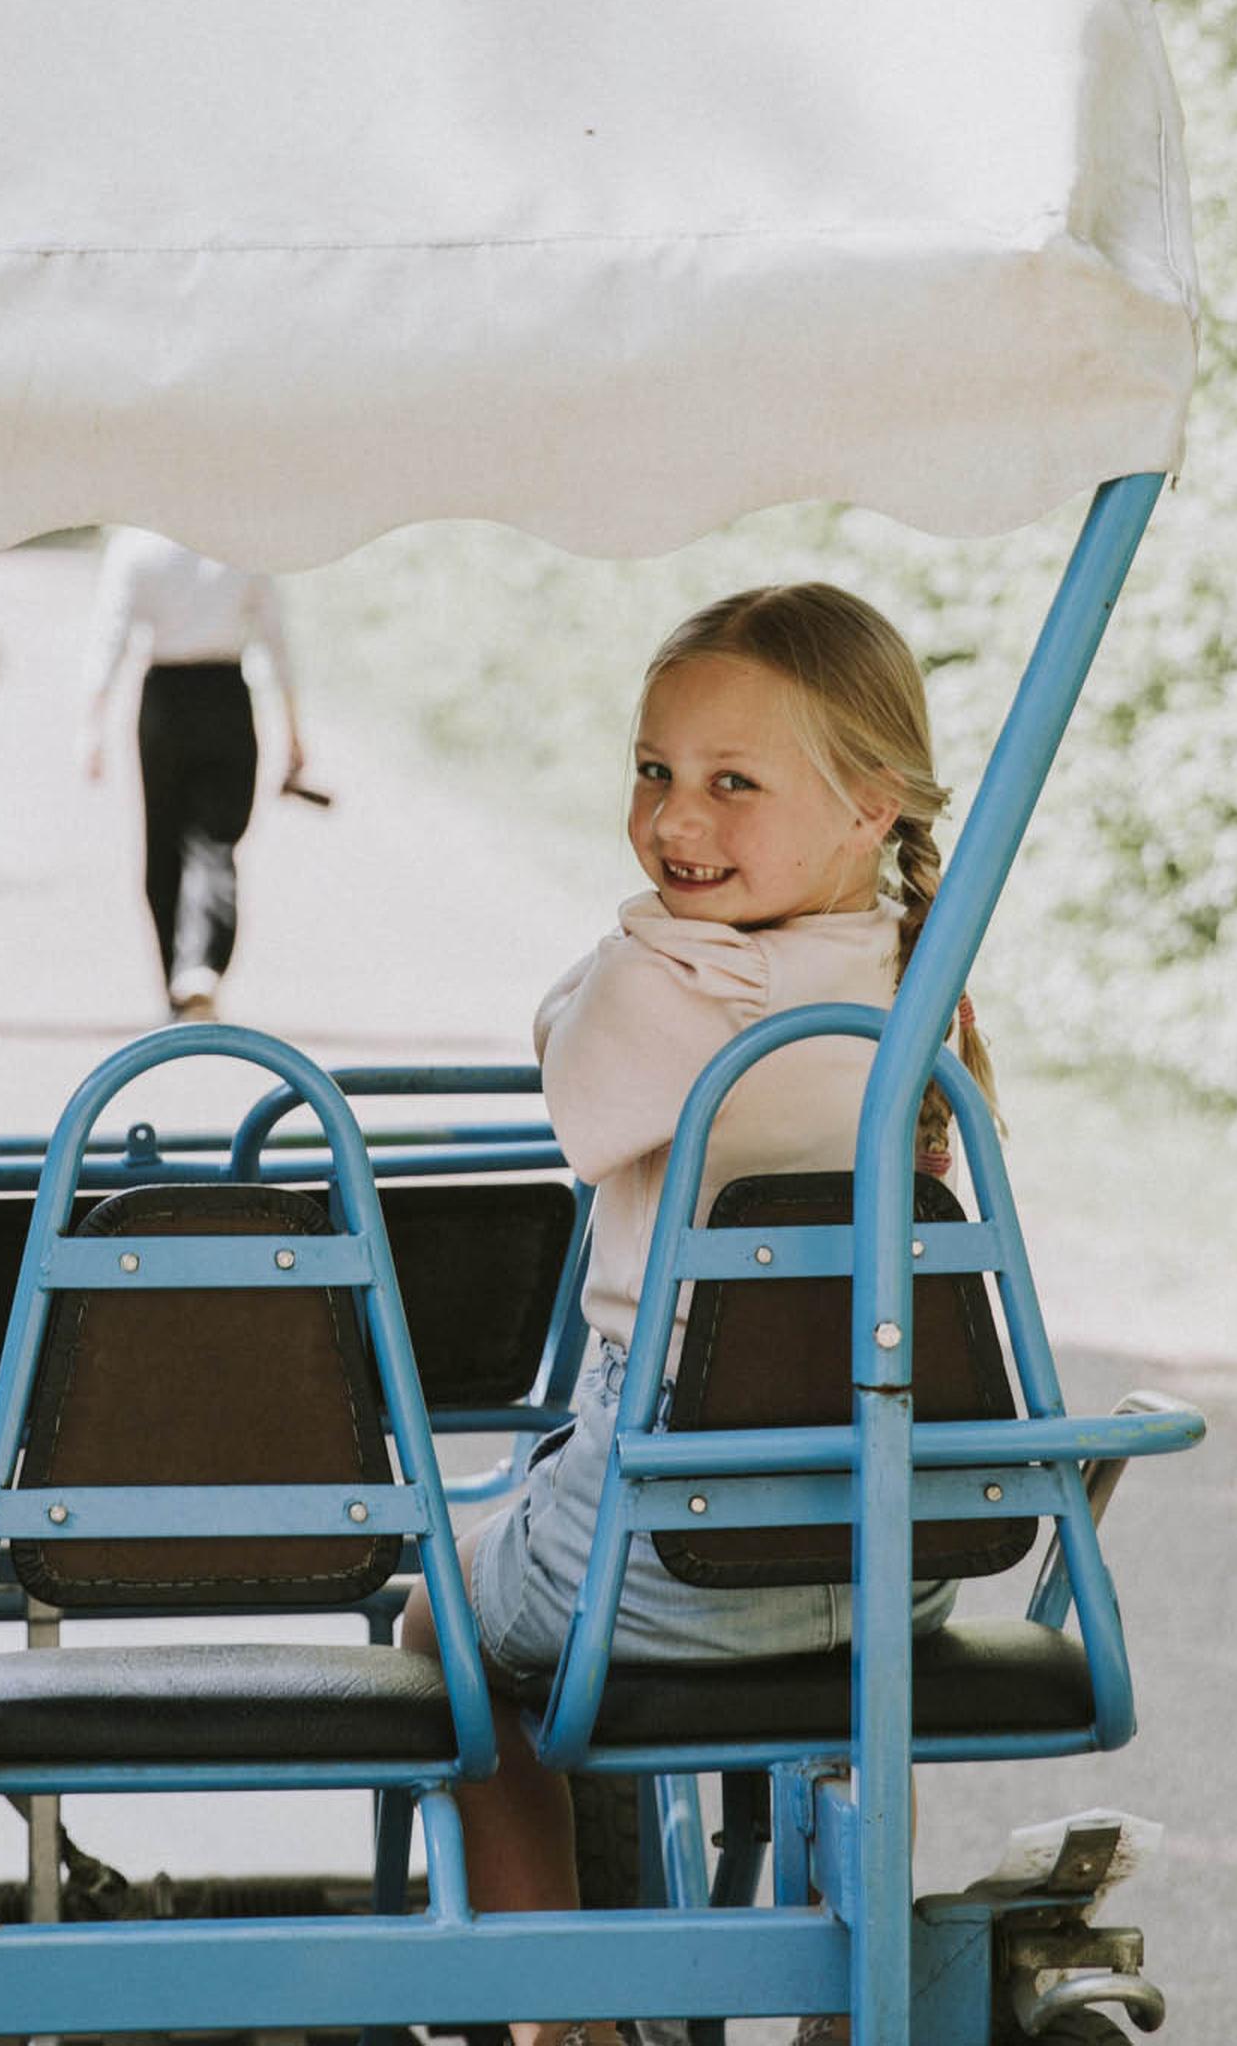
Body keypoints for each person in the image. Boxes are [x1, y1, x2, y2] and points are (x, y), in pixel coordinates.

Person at [399, 582, 986, 2044]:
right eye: (655, 774)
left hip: (670, 1550)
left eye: (733, 783)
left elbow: (575, 1089)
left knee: (441, 1628)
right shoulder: (925, 993)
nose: (677, 823)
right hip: (895, 1546)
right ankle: (849, 2000)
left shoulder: (675, 979)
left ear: (870, 803)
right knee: (863, 1708)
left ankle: (562, 2011)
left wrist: (624, 953)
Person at [78, 527, 306, 1019]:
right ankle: (200, 966)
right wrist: (292, 728)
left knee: (162, 844)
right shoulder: (245, 540)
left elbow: (111, 632)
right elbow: (275, 638)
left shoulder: (137, 544)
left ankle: (176, 982)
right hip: (226, 695)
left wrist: (92, 724)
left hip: (164, 699)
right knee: (217, 840)